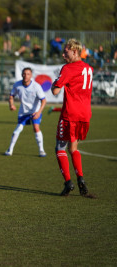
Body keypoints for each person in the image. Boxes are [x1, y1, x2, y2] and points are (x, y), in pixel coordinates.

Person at [51, 38, 93, 197]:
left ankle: (68, 182)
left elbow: (55, 91)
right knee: (73, 148)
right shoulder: (88, 68)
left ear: (75, 51)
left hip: (70, 113)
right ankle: (81, 180)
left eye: (66, 51)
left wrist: (55, 83)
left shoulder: (68, 68)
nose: (63, 55)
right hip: (85, 114)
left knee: (59, 148)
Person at [5, 67, 47, 157]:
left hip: (35, 111)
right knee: (18, 129)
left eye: (28, 74)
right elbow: (11, 96)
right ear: (22, 74)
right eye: (24, 74)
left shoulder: (36, 86)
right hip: (23, 111)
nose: (26, 76)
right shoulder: (17, 85)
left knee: (36, 128)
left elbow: (44, 100)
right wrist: (11, 105)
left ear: (31, 75)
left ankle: (41, 150)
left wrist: (39, 112)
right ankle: (10, 149)